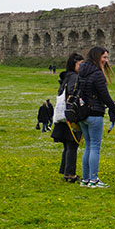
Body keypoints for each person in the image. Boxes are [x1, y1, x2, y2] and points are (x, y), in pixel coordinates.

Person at [77, 46, 115, 188]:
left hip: (83, 113)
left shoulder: (82, 72)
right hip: (95, 113)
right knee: (95, 146)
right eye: (104, 57)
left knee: (88, 146)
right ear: (97, 57)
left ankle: (85, 179)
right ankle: (94, 180)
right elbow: (104, 95)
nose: (106, 61)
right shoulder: (97, 74)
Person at [52, 52, 83, 183]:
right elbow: (72, 92)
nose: (82, 67)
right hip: (70, 115)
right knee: (72, 145)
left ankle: (66, 171)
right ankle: (70, 174)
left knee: (67, 145)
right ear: (73, 64)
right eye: (80, 64)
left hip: (62, 114)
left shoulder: (66, 77)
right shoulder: (74, 77)